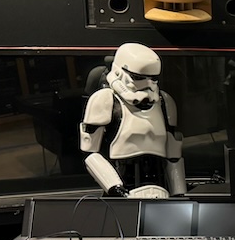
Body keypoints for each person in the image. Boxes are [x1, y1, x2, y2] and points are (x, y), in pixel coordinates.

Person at [79, 43, 186, 198]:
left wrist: (179, 193)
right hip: (121, 190)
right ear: (119, 72)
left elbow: (173, 156)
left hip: (161, 191)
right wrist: (114, 188)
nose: (148, 85)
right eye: (139, 78)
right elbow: (90, 153)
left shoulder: (164, 102)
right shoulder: (105, 100)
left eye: (153, 79)